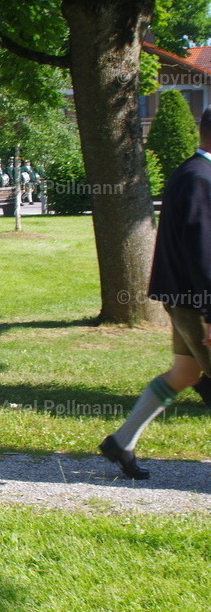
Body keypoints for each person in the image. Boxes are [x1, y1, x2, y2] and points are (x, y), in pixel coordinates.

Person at [99, 107, 211, 480]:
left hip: (184, 298)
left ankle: (122, 441)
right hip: (198, 302)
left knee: (184, 371)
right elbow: (202, 250)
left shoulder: (190, 171)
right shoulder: (201, 178)